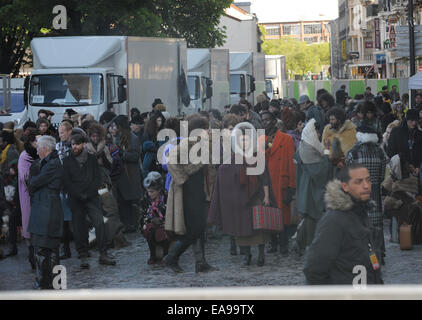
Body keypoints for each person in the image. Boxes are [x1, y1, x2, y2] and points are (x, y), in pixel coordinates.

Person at [303, 164, 384, 285]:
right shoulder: (334, 220)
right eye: (359, 182)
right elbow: (314, 269)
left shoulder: (361, 213)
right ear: (345, 186)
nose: (366, 186)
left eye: (368, 180)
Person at [209, 123, 272, 266]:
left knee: (259, 227)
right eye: (241, 140)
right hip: (240, 199)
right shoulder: (233, 158)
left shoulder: (257, 157)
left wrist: (267, 196)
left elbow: (264, 178)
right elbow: (225, 172)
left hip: (256, 196)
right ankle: (247, 254)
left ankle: (261, 255)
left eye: (246, 140)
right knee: (242, 227)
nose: (244, 142)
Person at [164, 115, 215, 273]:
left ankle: (201, 262)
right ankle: (172, 257)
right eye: (206, 128)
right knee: (194, 228)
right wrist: (182, 178)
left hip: (199, 189)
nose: (208, 131)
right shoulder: (189, 142)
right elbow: (171, 159)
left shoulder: (202, 143)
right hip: (189, 189)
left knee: (199, 228)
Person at [63, 134, 116, 269]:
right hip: (76, 199)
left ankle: (103, 253)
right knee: (79, 228)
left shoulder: (91, 159)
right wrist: (78, 194)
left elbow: (97, 178)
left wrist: (88, 193)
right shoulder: (68, 161)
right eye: (73, 144)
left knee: (99, 223)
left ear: (83, 144)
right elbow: (67, 182)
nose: (74, 147)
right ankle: (83, 255)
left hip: (91, 197)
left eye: (77, 144)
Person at [346, 125, 387, 264]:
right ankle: (379, 255)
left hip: (358, 194)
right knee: (376, 226)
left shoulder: (354, 152)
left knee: (361, 226)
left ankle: (364, 257)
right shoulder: (380, 153)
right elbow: (382, 176)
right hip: (374, 191)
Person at [27, 135, 64, 289]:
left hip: (46, 208)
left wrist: (33, 182)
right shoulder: (50, 163)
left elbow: (35, 181)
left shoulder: (52, 164)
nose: (36, 151)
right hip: (46, 207)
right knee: (48, 247)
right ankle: (55, 283)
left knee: (44, 247)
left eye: (38, 148)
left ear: (45, 149)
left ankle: (45, 283)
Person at [86, 122, 129, 249]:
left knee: (110, 211)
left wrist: (103, 158)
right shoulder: (86, 149)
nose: (95, 138)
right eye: (93, 136)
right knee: (94, 214)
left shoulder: (104, 148)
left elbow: (110, 164)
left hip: (104, 183)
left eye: (96, 136)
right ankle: (96, 240)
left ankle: (113, 239)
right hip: (91, 185)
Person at [261, 111, 296, 256]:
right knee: (269, 214)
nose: (265, 123)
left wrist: (291, 186)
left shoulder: (286, 139)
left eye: (268, 120)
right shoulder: (261, 140)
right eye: (263, 120)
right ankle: (273, 243)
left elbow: (291, 163)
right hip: (266, 181)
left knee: (282, 216)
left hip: (281, 180)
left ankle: (283, 245)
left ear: (274, 122)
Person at [109, 115, 142, 234]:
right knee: (121, 201)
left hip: (129, 173)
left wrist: (122, 154)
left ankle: (131, 224)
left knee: (129, 201)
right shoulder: (115, 137)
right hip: (119, 173)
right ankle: (125, 224)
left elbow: (135, 156)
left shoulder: (132, 138)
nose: (114, 128)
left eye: (115, 126)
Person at [17, 128, 39, 269]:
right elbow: (25, 177)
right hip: (27, 194)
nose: (39, 143)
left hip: (38, 194)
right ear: (31, 142)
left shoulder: (40, 154)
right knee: (28, 222)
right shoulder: (24, 156)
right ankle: (32, 254)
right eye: (36, 141)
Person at [140, 171, 169, 265]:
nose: (149, 194)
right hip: (152, 225)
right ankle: (153, 255)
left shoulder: (166, 197)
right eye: (148, 191)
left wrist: (162, 221)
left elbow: (171, 213)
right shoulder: (145, 199)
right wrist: (148, 221)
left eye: (152, 191)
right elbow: (143, 215)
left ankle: (166, 253)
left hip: (165, 224)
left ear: (159, 190)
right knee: (149, 229)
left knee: (164, 230)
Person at [55, 121, 73, 260]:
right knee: (64, 221)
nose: (60, 135)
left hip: (74, 186)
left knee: (79, 220)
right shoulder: (57, 146)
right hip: (62, 187)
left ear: (69, 132)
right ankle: (66, 249)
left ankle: (83, 248)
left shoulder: (75, 145)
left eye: (62, 132)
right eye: (59, 132)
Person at [322, 107, 357, 175]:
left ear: (339, 120)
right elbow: (324, 150)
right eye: (330, 119)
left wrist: (343, 161)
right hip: (330, 167)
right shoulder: (327, 130)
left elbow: (353, 151)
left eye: (333, 119)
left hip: (346, 168)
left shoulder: (350, 131)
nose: (330, 122)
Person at [142, 111, 165, 177]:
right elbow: (144, 145)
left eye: (161, 120)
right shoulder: (149, 131)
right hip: (151, 158)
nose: (160, 122)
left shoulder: (163, 131)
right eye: (158, 120)